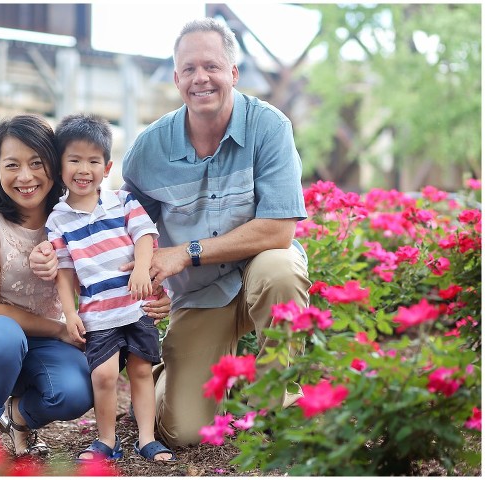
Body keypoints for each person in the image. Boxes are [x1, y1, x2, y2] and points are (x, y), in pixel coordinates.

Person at [30, 17, 311, 448]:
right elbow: (121, 225)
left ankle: (279, 400)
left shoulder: (269, 128)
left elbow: (279, 229)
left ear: (233, 74)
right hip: (200, 294)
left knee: (281, 269)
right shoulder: (150, 148)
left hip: (260, 273)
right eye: (189, 69)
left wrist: (184, 253)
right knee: (183, 433)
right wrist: (143, 278)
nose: (201, 78)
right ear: (177, 79)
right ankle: (175, 374)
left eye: (213, 67)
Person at [0, 114, 172, 473]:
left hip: (40, 343)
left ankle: (17, 416)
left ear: (53, 166)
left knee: (78, 389)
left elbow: (101, 269)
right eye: (12, 165)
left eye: (37, 164)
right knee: (1, 334)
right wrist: (63, 329)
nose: (26, 176)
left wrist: (151, 290)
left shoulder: (67, 217)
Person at [45, 114, 176, 462]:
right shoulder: (57, 219)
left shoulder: (123, 201)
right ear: (60, 167)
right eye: (74, 160)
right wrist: (70, 313)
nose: (83, 169)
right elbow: (63, 270)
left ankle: (147, 438)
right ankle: (105, 440)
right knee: (102, 375)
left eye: (93, 161)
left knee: (141, 369)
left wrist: (143, 269)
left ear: (107, 166)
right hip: (98, 312)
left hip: (135, 305)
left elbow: (146, 236)